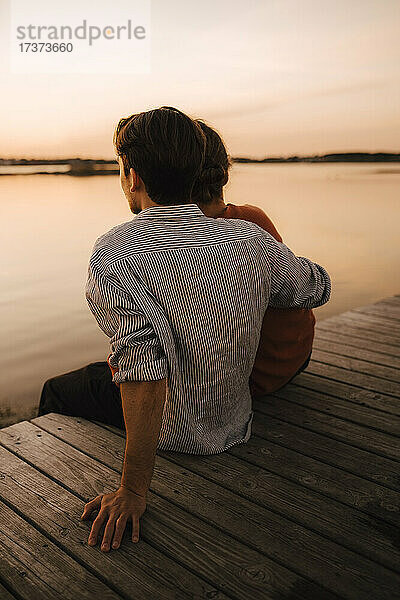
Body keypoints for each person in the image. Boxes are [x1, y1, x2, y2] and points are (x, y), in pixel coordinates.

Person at [38, 106, 331, 552]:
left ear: (132, 175)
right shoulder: (249, 241)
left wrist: (134, 490)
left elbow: (142, 368)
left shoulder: (114, 252)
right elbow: (316, 288)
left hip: (175, 434)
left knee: (57, 390)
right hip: (236, 427)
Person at [191, 121, 316, 396]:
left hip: (249, 381)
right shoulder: (252, 218)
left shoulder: (188, 239)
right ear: (224, 173)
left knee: (88, 384)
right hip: (294, 359)